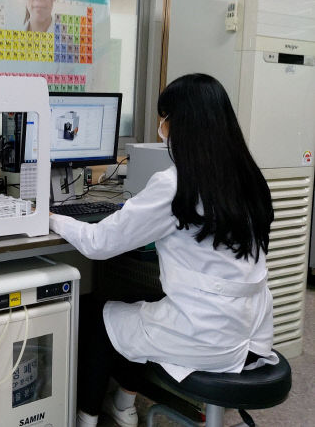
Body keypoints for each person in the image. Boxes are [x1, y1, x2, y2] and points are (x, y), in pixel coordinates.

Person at [49, 73, 278, 427]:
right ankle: (124, 404)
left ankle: (86, 418)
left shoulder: (176, 184)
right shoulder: (246, 177)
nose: (161, 126)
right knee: (133, 299)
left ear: (179, 124)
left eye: (164, 117)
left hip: (206, 335)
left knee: (96, 315)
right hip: (249, 328)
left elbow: (98, 244)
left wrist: (52, 218)